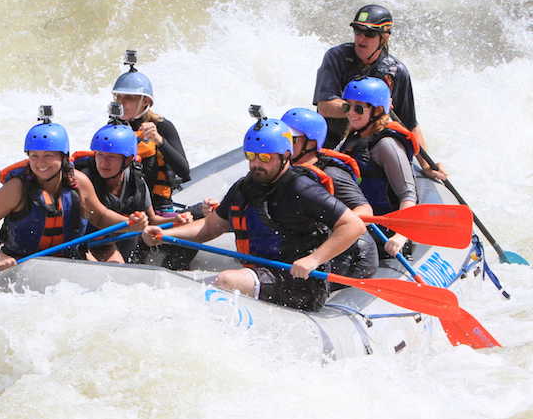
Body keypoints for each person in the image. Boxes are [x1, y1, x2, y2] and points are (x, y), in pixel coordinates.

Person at [142, 117, 365, 311]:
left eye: (265, 158)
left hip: (300, 281)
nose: (256, 164)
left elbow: (353, 225)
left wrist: (314, 260)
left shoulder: (303, 189)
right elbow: (209, 227)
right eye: (251, 156)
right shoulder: (245, 187)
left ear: (285, 156)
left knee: (227, 280)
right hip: (260, 271)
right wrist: (165, 233)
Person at [0, 112, 148, 271]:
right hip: (20, 266)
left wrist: (130, 223)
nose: (40, 163)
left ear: (63, 157)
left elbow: (100, 216)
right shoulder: (17, 188)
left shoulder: (79, 183)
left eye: (48, 156)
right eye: (34, 156)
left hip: (68, 265)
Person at [312, 4, 447, 180]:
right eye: (357, 31)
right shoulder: (336, 57)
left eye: (369, 34)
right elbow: (325, 106)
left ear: (384, 38)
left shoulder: (396, 72)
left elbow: (410, 124)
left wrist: (427, 165)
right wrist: (361, 108)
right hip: (330, 143)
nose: (361, 38)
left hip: (369, 150)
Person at [72, 121, 193, 265]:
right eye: (100, 155)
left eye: (111, 157)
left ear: (128, 159)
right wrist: (131, 224)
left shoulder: (137, 182)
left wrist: (175, 221)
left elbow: (152, 220)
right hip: (83, 244)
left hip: (108, 244)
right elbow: (99, 217)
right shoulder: (83, 179)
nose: (103, 163)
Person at [281, 107, 378, 279]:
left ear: (310, 143)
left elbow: (365, 210)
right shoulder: (283, 170)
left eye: (291, 140)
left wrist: (337, 225)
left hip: (355, 255)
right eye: (282, 139)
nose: (284, 146)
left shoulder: (333, 174)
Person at [337, 77, 419, 258]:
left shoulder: (386, 145)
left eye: (358, 108)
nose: (351, 113)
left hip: (383, 235)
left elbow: (408, 195)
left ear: (378, 110)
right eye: (346, 106)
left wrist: (401, 236)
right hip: (356, 223)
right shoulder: (352, 138)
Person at [112, 59, 190, 214]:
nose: (122, 103)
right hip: (126, 207)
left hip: (158, 207)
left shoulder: (162, 126)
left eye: (128, 97)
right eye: (118, 97)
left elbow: (185, 172)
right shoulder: (114, 128)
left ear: (145, 101)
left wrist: (159, 140)